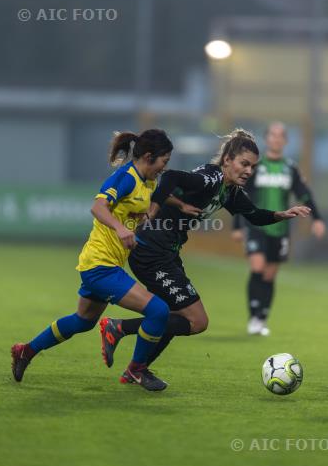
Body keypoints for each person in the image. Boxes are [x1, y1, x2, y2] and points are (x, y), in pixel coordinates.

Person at [99, 129, 311, 382]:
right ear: (227, 160)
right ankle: (119, 328)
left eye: (253, 167)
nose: (248, 171)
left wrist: (282, 214)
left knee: (173, 314)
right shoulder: (210, 178)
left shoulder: (228, 191)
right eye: (244, 164)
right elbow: (172, 177)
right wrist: (154, 207)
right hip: (151, 252)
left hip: (165, 253)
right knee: (197, 321)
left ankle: (136, 369)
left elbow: (254, 214)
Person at [11, 128, 177, 392]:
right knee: (158, 310)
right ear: (148, 156)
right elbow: (97, 207)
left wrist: (141, 219)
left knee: (83, 320)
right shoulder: (125, 177)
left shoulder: (149, 182)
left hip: (104, 265)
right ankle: (136, 369)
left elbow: (134, 209)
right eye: (163, 162)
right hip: (101, 266)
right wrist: (120, 229)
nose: (163, 168)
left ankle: (25, 351)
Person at [231, 122, 325, 336]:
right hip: (255, 224)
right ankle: (254, 316)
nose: (276, 139)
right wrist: (237, 225)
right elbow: (238, 194)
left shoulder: (290, 168)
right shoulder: (255, 165)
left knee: (270, 275)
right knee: (257, 267)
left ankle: (262, 317)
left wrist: (317, 219)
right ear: (267, 139)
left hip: (280, 228)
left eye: (280, 135)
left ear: (285, 141)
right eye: (272, 135)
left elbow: (304, 194)